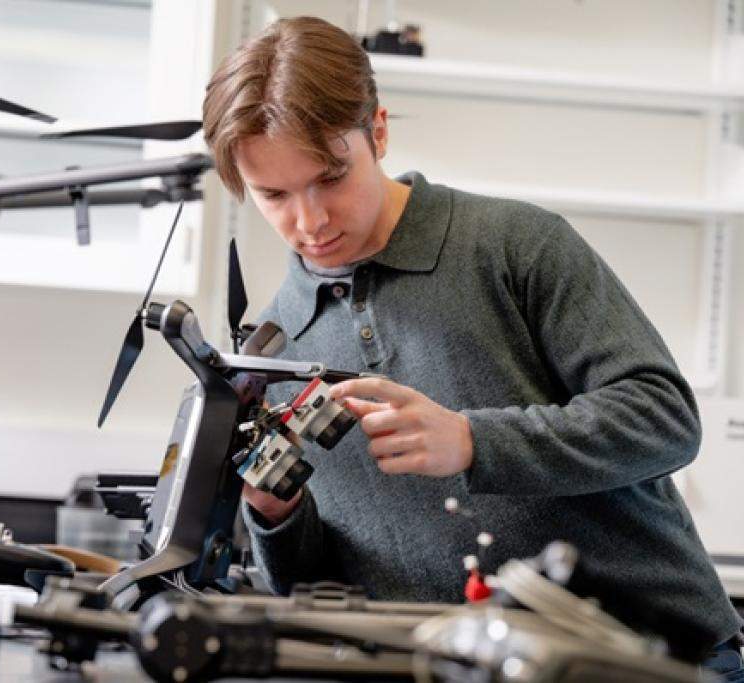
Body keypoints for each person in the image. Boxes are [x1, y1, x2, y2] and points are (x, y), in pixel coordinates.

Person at [201, 14, 743, 675]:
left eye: (331, 178)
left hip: (654, 661)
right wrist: (273, 511)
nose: (309, 220)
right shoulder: (276, 348)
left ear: (378, 131)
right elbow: (317, 598)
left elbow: (665, 418)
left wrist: (472, 441)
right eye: (274, 194)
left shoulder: (516, 246)